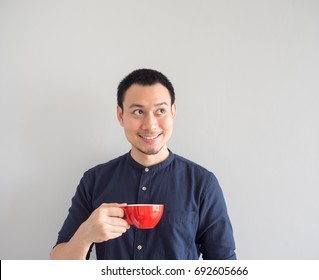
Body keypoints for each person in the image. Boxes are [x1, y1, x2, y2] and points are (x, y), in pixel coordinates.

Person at [50, 69, 236, 260]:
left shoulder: (203, 184)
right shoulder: (94, 180)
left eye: (160, 111)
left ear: (173, 113)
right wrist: (85, 236)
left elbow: (224, 264)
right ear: (121, 115)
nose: (150, 125)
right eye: (138, 112)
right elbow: (58, 262)